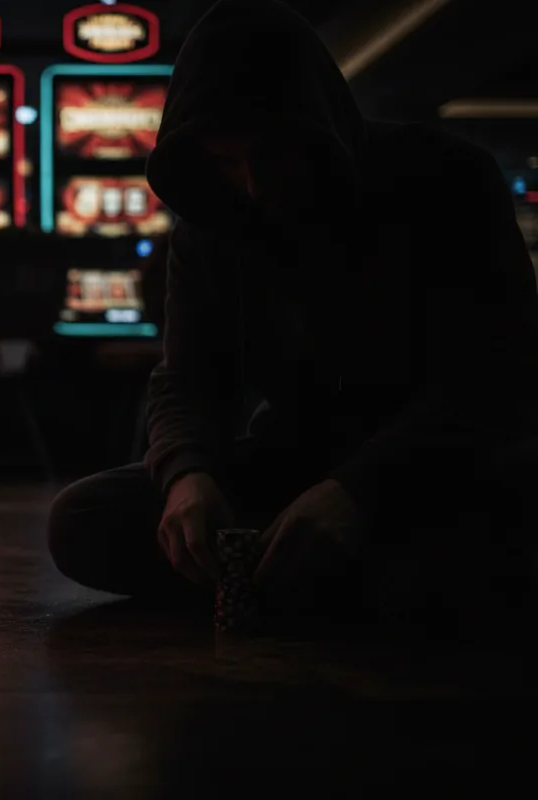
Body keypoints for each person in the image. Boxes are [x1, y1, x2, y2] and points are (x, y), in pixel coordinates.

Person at [47, 0, 538, 628]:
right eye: (225, 162)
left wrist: (358, 492)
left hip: (437, 464)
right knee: (81, 521)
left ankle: (301, 576)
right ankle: (319, 579)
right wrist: (186, 474)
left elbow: (492, 378)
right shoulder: (208, 222)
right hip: (298, 458)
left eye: (269, 156)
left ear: (318, 131)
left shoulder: (448, 178)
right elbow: (186, 380)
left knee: (485, 535)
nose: (250, 184)